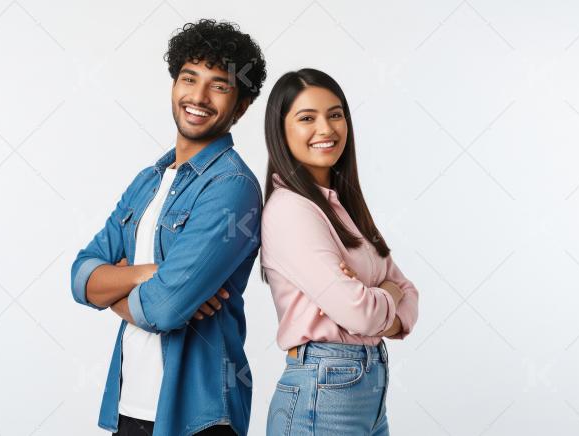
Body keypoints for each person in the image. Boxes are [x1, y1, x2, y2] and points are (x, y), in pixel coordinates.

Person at [70, 19, 266, 436]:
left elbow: (162, 309)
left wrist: (117, 289)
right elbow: (81, 276)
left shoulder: (232, 188)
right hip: (130, 405)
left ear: (242, 105)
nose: (198, 96)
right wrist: (148, 274)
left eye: (219, 85)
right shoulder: (149, 180)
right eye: (189, 78)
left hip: (198, 416)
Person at [260, 68, 419, 435]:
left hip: (367, 390)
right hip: (324, 393)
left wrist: (378, 295)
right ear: (280, 130)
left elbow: (408, 290)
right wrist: (386, 294)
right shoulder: (291, 210)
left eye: (335, 114)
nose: (327, 129)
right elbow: (359, 313)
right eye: (307, 118)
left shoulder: (344, 207)